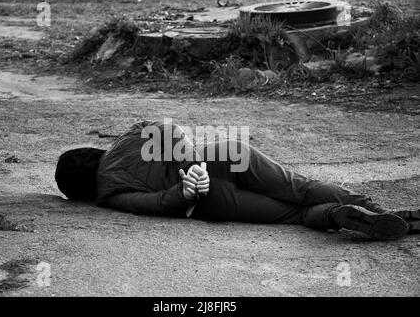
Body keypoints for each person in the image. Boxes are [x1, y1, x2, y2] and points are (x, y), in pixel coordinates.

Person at [55, 121, 419, 241]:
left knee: (291, 214)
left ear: (80, 192)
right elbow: (170, 129)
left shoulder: (109, 194)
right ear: (90, 152)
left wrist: (185, 189)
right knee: (301, 187)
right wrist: (194, 161)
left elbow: (156, 205)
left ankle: (340, 215)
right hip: (227, 154)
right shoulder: (126, 139)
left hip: (210, 200)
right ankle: (377, 209)